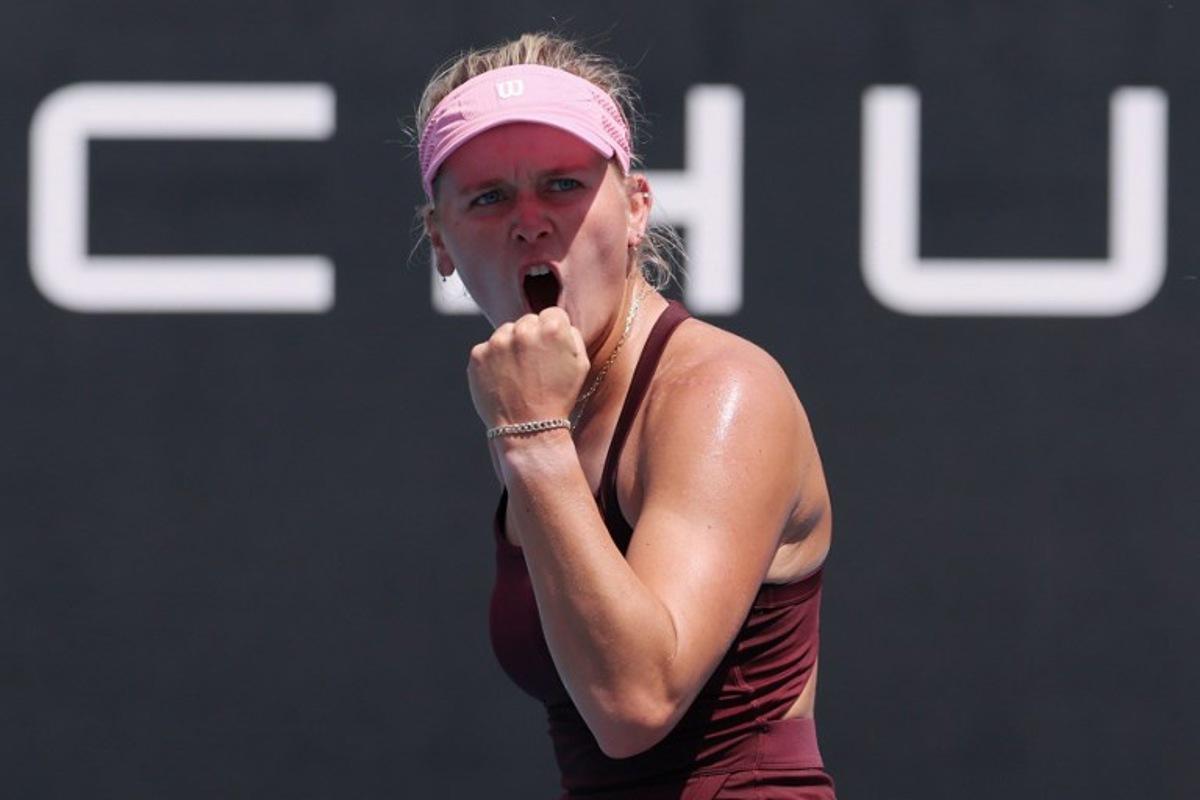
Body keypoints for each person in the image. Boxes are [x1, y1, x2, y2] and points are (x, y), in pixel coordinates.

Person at [415, 32, 836, 800]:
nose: (530, 221)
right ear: (440, 241)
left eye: (564, 185)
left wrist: (532, 439)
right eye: (488, 197)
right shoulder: (544, 399)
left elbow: (634, 703)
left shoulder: (719, 391)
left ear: (637, 208)